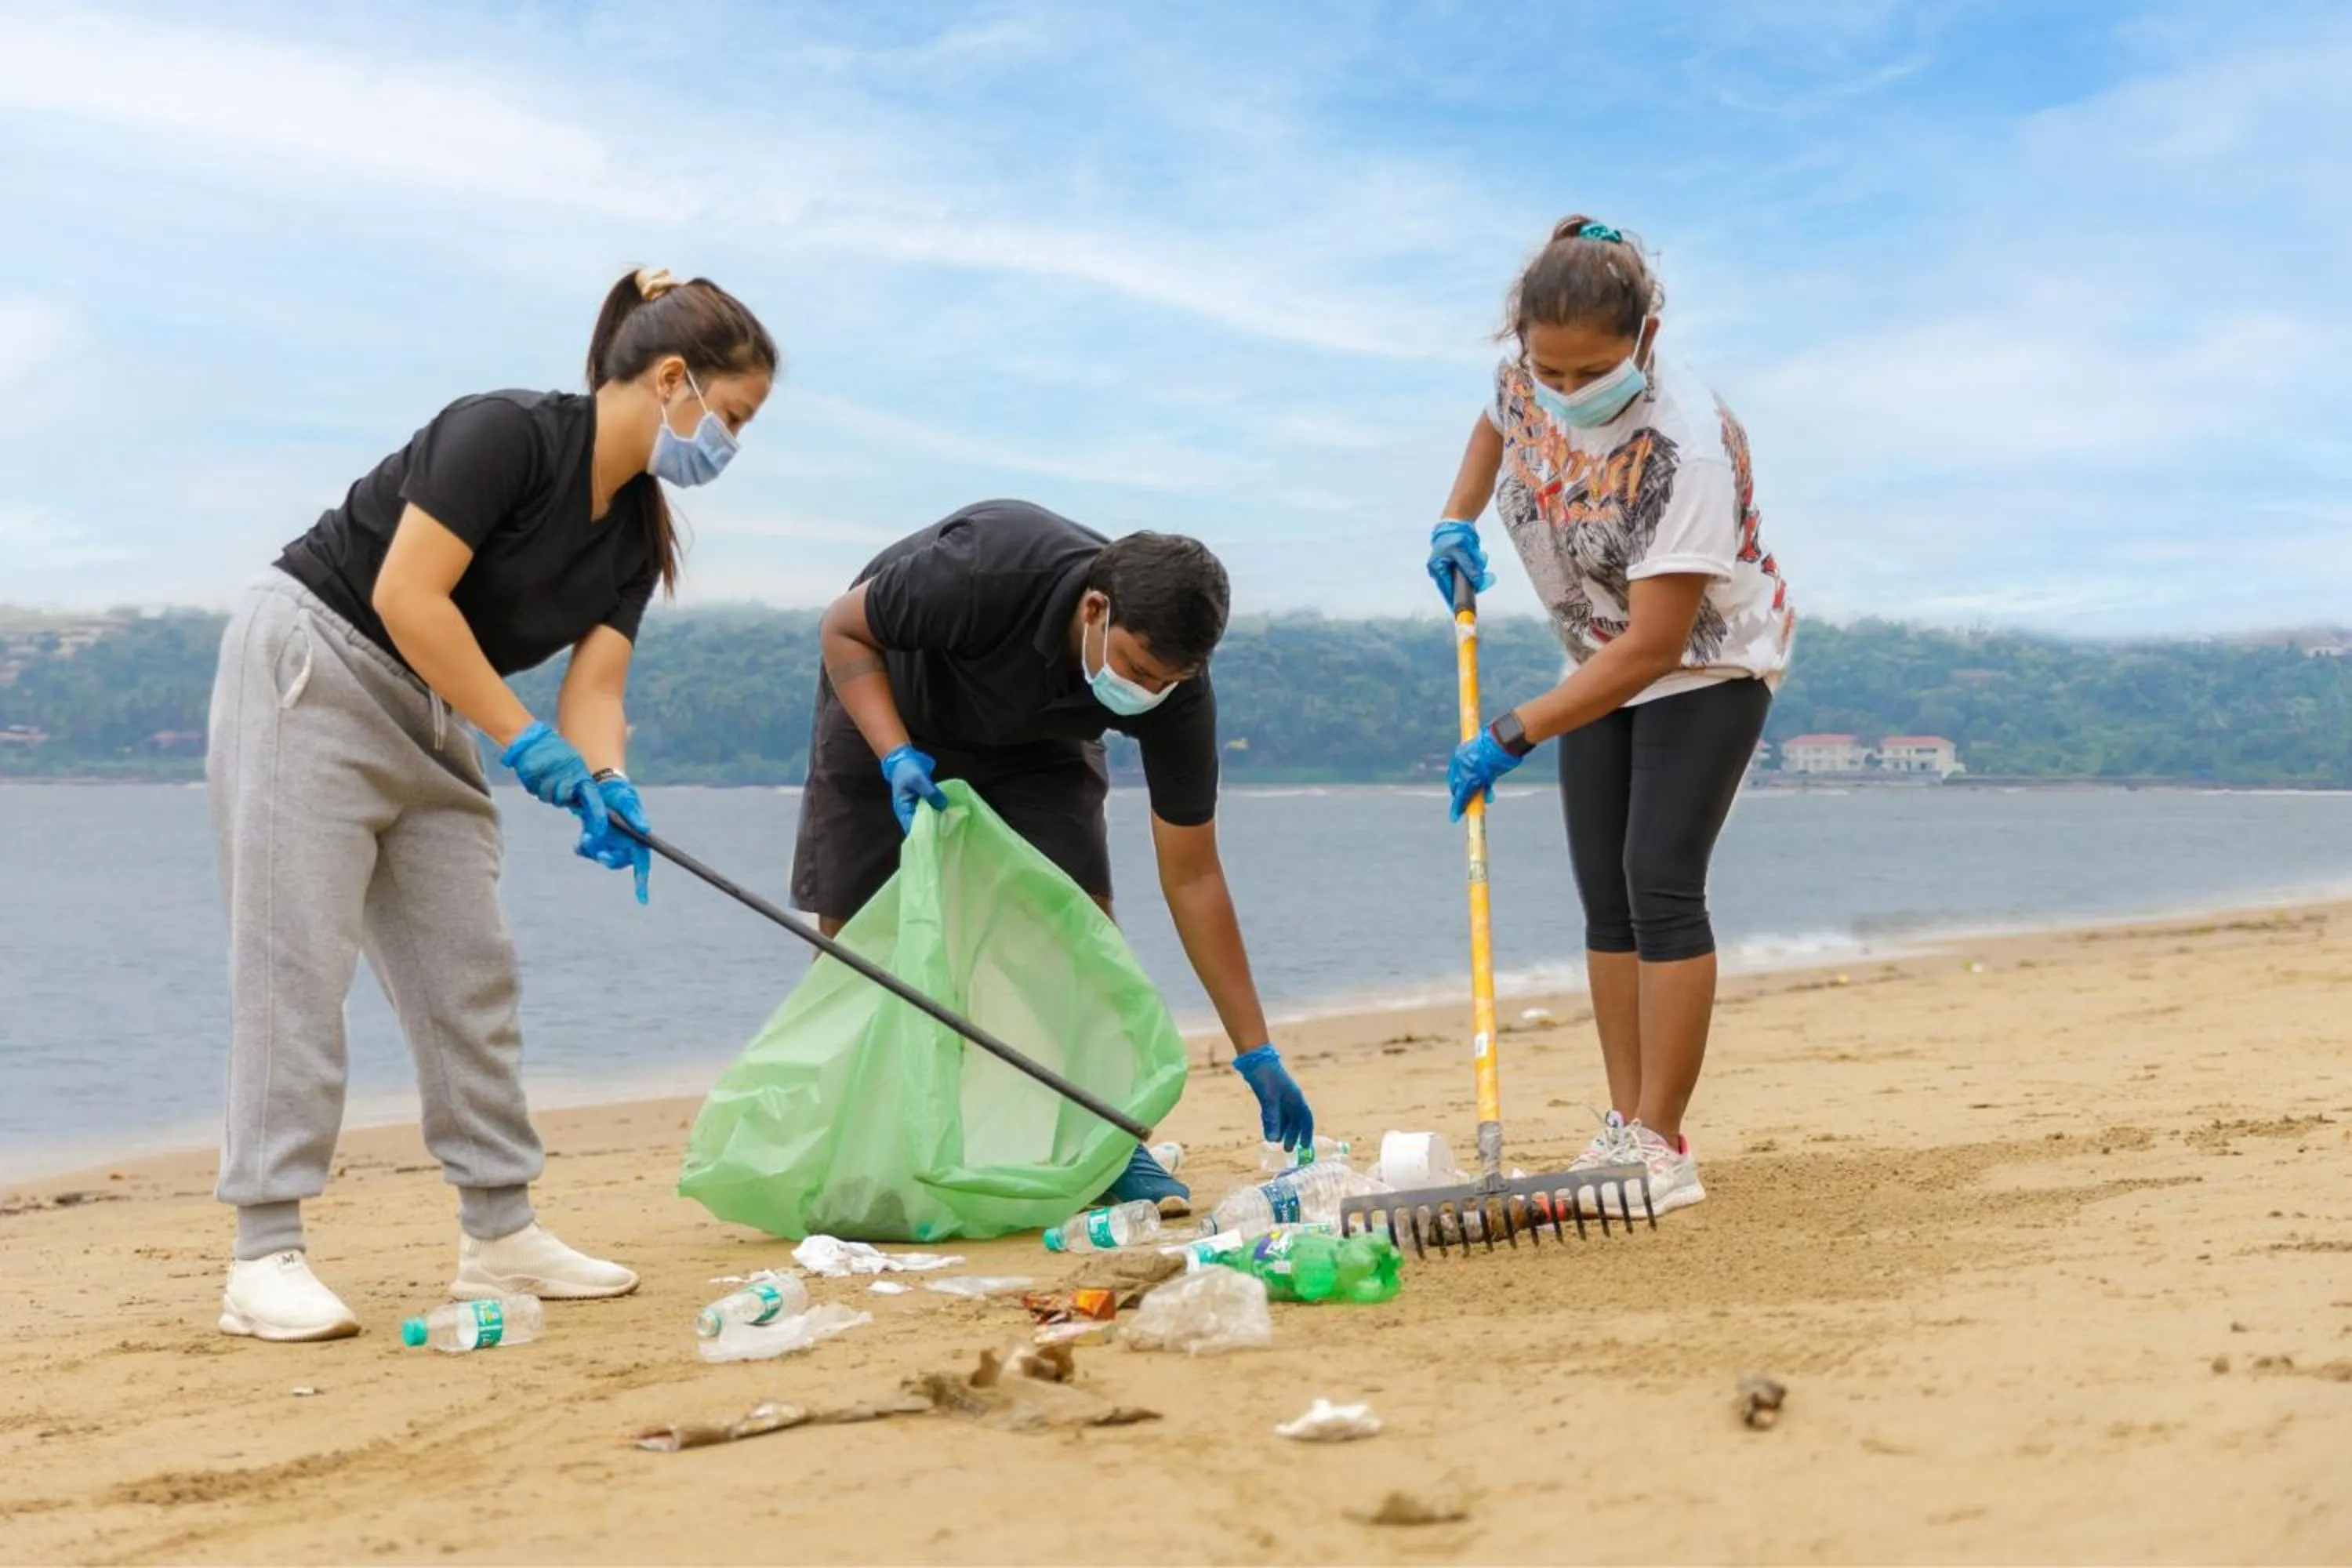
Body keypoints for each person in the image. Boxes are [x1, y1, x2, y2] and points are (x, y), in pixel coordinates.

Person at [205, 268, 778, 1339]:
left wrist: (607, 780)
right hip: (314, 668)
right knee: (297, 963)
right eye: (733, 417)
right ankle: (263, 1251)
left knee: (469, 968)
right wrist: (523, 743)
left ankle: (500, 1230)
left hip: (432, 705)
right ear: (672, 379)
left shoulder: (635, 535)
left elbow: (594, 691)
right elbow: (406, 595)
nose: (729, 446)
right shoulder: (505, 433)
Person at [1426, 216, 1794, 1215]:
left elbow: (1659, 643)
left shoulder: (1687, 445)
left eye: (1591, 371)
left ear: (1646, 337)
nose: (1565, 386)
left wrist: (1515, 730)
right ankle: (1623, 1123)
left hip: (1705, 663)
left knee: (1659, 882)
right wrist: (1457, 514)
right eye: (1548, 365)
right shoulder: (1527, 374)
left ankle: (1662, 1145)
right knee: (1606, 899)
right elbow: (1499, 419)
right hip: (1596, 653)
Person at [797, 499, 1315, 1207]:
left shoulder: (1176, 694)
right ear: (1096, 609)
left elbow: (1193, 874)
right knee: (857, 943)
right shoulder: (988, 568)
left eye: (1168, 680)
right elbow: (842, 626)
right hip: (891, 702)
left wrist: (1256, 1048)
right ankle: (852, 1143)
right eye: (1137, 668)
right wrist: (893, 755)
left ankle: (1107, 1144)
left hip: (1041, 745)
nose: (1149, 691)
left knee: (1083, 930)